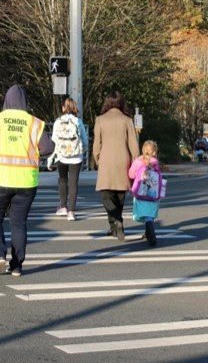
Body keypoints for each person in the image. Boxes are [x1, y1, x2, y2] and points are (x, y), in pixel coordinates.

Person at [0, 84, 53, 277]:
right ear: (25, 102)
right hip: (26, 182)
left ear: (6, 99)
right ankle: (16, 266)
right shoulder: (35, 123)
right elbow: (47, 148)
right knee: (19, 223)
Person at [92, 90, 139, 241]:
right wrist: (135, 162)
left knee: (106, 196)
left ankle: (116, 222)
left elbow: (96, 144)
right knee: (119, 196)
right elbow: (134, 145)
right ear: (121, 103)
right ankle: (115, 227)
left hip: (106, 160)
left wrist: (98, 159)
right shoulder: (127, 120)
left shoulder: (100, 119)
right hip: (123, 161)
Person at [50, 97, 89, 221]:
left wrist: (53, 156)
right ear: (74, 108)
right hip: (76, 157)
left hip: (61, 156)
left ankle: (63, 207)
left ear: (63, 108)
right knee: (73, 182)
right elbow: (84, 140)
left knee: (62, 180)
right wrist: (83, 149)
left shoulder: (58, 121)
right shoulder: (78, 121)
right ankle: (71, 212)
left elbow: (54, 140)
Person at [128, 140, 162, 247]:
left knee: (143, 211)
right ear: (154, 152)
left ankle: (148, 230)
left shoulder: (138, 161)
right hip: (152, 193)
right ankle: (149, 228)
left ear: (143, 150)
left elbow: (131, 175)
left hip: (140, 192)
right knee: (150, 214)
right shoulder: (155, 162)